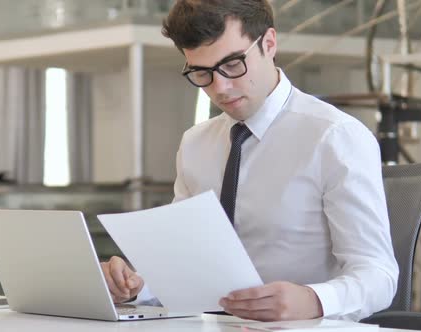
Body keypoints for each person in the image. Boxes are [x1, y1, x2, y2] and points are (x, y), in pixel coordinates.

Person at [101, 0, 398, 322]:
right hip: (212, 324)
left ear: (269, 44)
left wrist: (314, 299)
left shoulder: (334, 137)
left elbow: (378, 275)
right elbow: (184, 265)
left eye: (232, 65)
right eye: (202, 72)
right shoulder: (195, 144)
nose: (221, 88)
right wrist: (136, 286)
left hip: (304, 328)